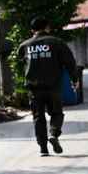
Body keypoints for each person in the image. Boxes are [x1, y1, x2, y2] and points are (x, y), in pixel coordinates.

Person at [17, 16, 77, 156]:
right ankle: (54, 134)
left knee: (38, 117)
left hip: (33, 88)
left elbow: (21, 65)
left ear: (32, 30)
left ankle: (43, 149)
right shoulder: (56, 43)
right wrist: (75, 79)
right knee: (56, 113)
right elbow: (70, 62)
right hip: (53, 86)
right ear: (47, 27)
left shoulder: (24, 46)